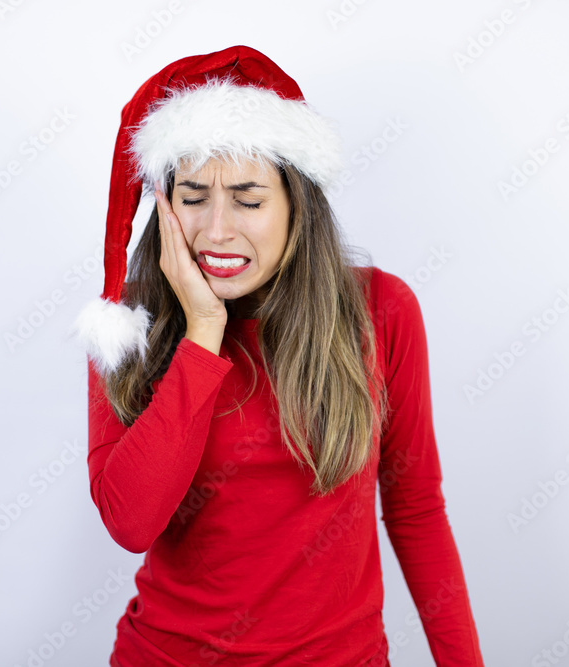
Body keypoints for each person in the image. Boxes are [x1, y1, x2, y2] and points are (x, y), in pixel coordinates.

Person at [73, 44, 485, 667]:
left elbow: (415, 508)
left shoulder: (383, 311)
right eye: (192, 197)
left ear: (297, 204)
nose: (216, 231)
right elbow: (131, 524)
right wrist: (203, 331)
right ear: (163, 205)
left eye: (248, 198)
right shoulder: (127, 325)